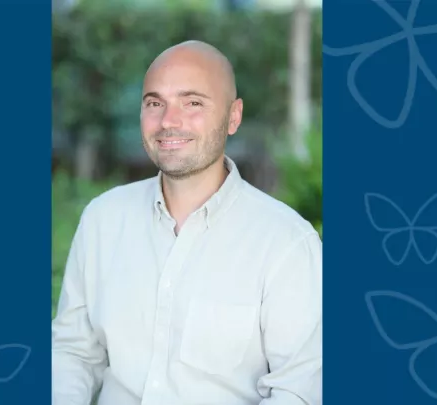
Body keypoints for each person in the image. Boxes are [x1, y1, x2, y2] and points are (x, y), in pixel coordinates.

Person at [52, 40, 322, 405]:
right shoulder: (102, 220)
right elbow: (73, 354)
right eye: (154, 103)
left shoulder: (287, 243)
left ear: (233, 116)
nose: (168, 121)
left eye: (192, 102)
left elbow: (298, 391)